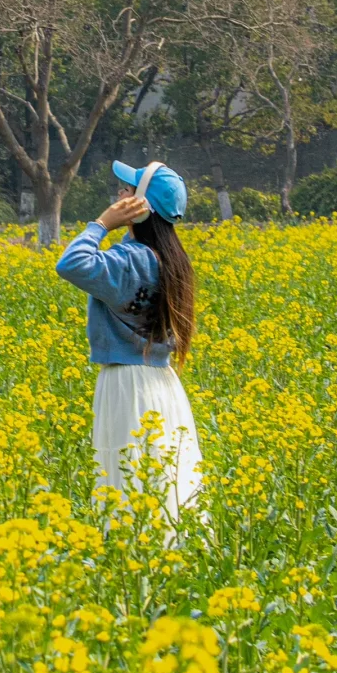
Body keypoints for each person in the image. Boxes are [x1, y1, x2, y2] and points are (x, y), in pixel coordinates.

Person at [56, 160, 203, 525]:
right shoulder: (169, 259)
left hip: (126, 384)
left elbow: (71, 263)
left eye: (127, 191)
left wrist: (102, 224)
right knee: (163, 479)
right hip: (161, 384)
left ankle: (134, 568)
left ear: (140, 207)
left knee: (127, 483)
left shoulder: (129, 261)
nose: (119, 194)